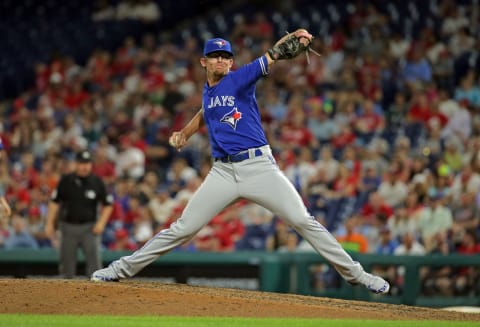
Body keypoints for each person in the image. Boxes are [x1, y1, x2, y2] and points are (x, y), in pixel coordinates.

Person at [91, 30, 390, 294]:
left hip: (259, 168)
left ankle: (357, 275)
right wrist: (184, 133)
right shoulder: (209, 90)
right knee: (182, 228)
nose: (221, 60)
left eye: (225, 56)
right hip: (222, 172)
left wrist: (293, 38)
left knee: (302, 220)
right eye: (215, 56)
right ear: (203, 62)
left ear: (232, 63)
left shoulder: (239, 78)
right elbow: (205, 111)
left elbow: (272, 55)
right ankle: (119, 270)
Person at [45, 150, 113, 279]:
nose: (84, 166)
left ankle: (97, 293)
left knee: (94, 264)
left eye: (87, 163)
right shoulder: (66, 181)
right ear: (75, 164)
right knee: (66, 264)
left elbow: (108, 204)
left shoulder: (97, 181)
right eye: (82, 163)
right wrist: (49, 223)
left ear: (91, 165)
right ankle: (66, 294)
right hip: (68, 227)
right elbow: (54, 202)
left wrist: (101, 223)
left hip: (90, 228)